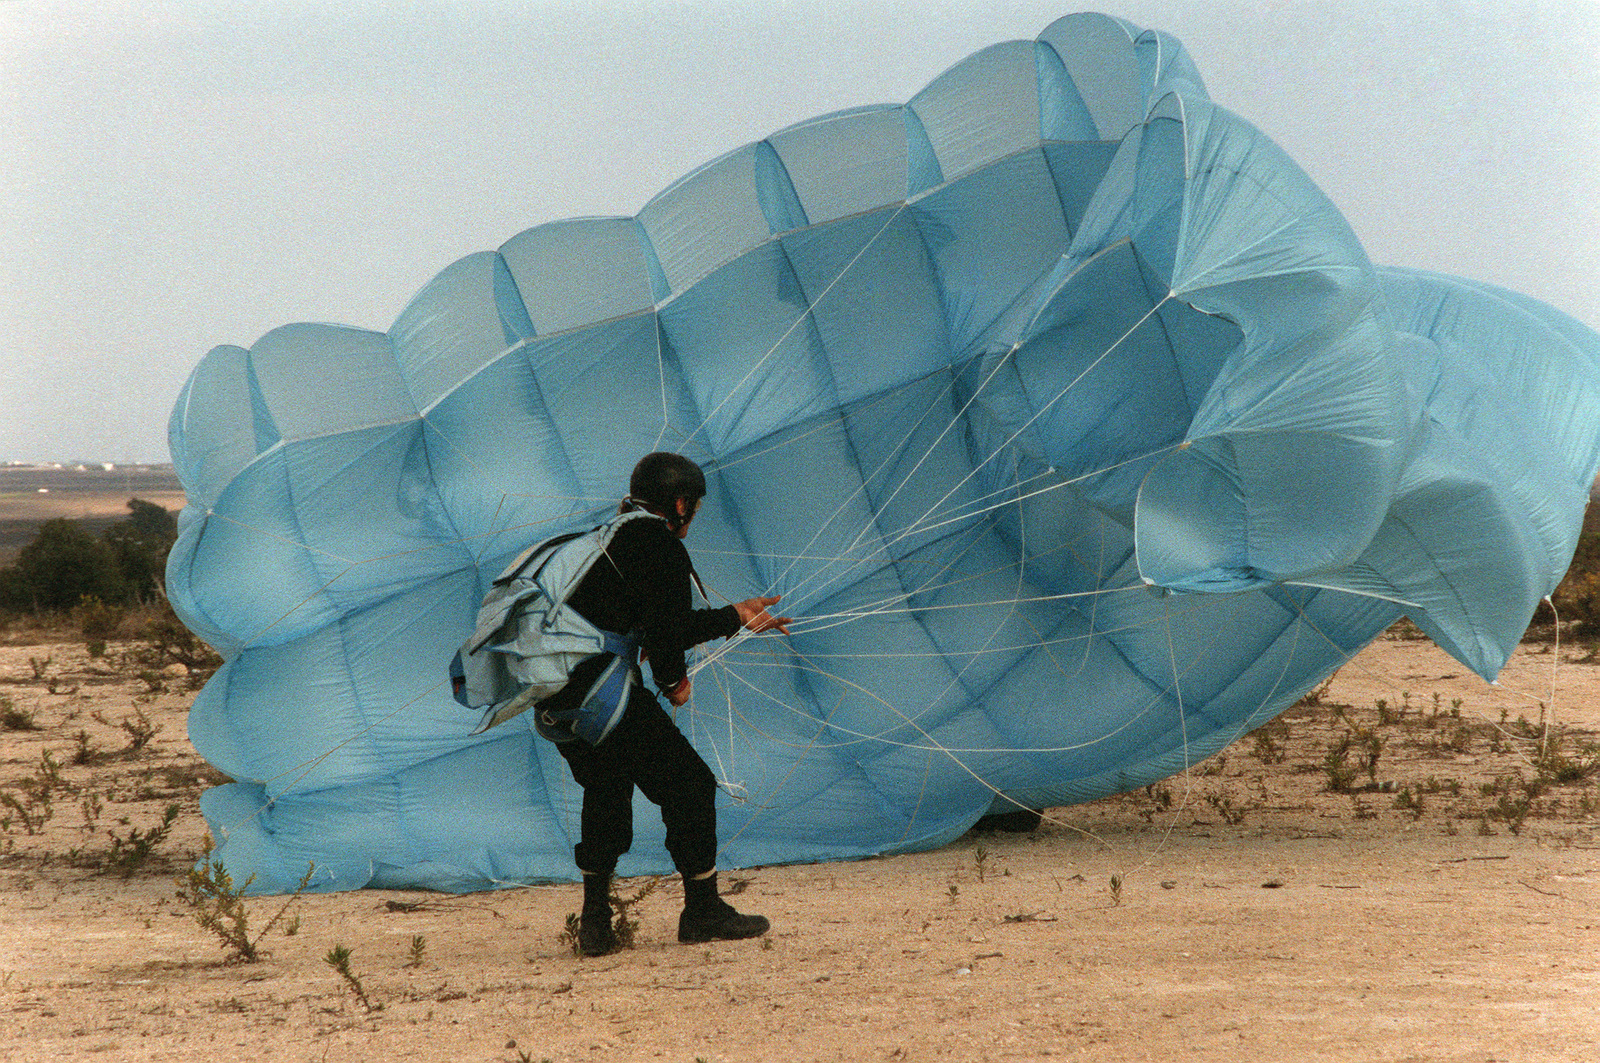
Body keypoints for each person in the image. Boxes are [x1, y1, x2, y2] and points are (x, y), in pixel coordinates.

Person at [543, 451, 790, 957]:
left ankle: (595, 923)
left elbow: (652, 623)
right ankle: (702, 911)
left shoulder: (604, 540)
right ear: (679, 504)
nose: (692, 518)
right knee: (691, 785)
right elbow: (666, 633)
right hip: (603, 693)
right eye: (693, 507)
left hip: (554, 694)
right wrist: (675, 680)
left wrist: (733, 616)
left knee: (606, 788)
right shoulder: (658, 546)